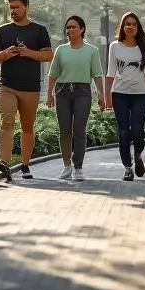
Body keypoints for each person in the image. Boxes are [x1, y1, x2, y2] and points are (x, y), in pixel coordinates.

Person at [0, 0, 53, 181]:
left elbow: (48, 55)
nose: (14, 11)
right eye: (11, 8)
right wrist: (6, 53)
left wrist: (28, 52)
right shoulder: (2, 31)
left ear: (26, 7)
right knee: (7, 121)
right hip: (7, 85)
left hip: (30, 87)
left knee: (27, 127)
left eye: (17, 7)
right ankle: (5, 162)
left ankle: (25, 165)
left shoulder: (39, 30)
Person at [46, 15, 106, 181]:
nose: (69, 30)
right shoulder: (61, 50)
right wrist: (50, 94)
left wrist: (102, 96)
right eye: (67, 27)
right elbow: (53, 74)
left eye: (73, 27)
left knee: (79, 129)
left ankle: (78, 167)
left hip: (83, 92)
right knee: (65, 129)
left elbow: (97, 75)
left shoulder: (92, 51)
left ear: (82, 29)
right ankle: (67, 166)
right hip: (62, 92)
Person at [106, 12, 145, 181]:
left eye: (134, 24)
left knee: (137, 131)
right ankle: (127, 167)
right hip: (119, 94)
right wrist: (107, 96)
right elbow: (110, 73)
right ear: (122, 26)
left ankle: (138, 155)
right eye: (127, 24)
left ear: (137, 28)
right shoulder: (115, 46)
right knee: (123, 132)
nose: (130, 27)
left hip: (140, 95)